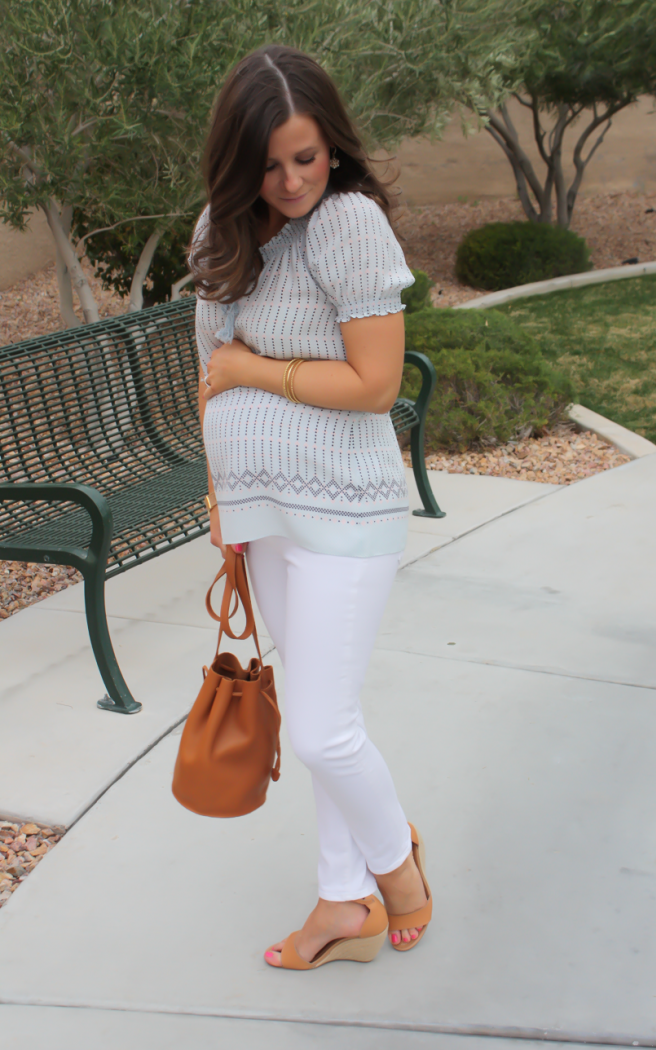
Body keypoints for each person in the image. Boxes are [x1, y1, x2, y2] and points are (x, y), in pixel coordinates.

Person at [189, 44, 431, 970]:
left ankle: (396, 868)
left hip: (347, 511)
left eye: (307, 155)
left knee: (325, 726)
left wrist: (257, 369)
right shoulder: (219, 227)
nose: (291, 180)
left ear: (333, 145)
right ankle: (342, 903)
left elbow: (374, 385)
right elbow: (203, 373)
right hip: (263, 513)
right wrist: (222, 496)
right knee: (319, 713)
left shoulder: (349, 223)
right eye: (270, 162)